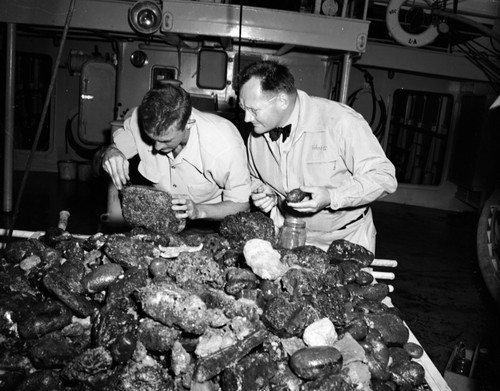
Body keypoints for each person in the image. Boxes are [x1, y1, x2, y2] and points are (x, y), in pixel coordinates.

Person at [238, 60, 397, 253]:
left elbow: (384, 177)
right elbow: (253, 177)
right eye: (243, 108)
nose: (247, 118)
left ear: (282, 100)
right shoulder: (256, 134)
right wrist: (261, 191)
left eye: (254, 110)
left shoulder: (340, 121)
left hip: (345, 239)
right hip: (286, 234)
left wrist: (332, 196)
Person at [100, 84, 251, 223]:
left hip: (207, 223)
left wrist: (199, 211)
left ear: (189, 123)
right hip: (159, 221)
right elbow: (114, 149)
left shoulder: (224, 145)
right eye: (151, 138)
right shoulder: (141, 118)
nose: (157, 147)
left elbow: (241, 205)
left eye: (166, 140)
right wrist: (112, 151)